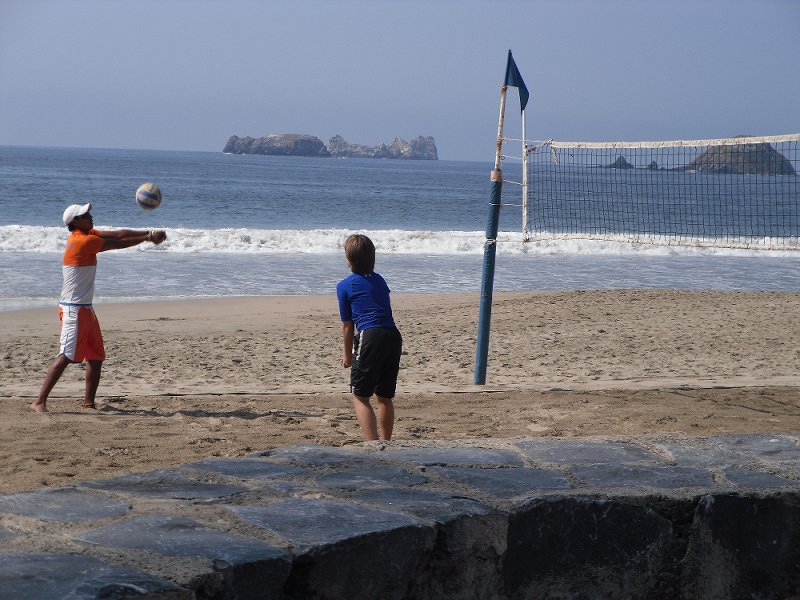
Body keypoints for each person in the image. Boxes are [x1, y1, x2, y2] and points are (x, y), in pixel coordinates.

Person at [31, 203, 167, 413]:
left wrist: (148, 233)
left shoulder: (88, 233)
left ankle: (89, 403)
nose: (91, 216)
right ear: (75, 222)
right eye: (86, 214)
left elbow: (118, 234)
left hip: (86, 309)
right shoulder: (82, 241)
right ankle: (39, 401)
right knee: (65, 355)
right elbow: (115, 243)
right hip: (73, 310)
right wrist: (148, 238)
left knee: (95, 357)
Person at [336, 234, 403, 441]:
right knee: (384, 396)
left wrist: (347, 355)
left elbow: (348, 325)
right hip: (392, 336)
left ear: (348, 260)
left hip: (370, 335)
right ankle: (386, 442)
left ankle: (373, 444)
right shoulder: (380, 280)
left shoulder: (345, 286)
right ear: (373, 257)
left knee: (361, 396)